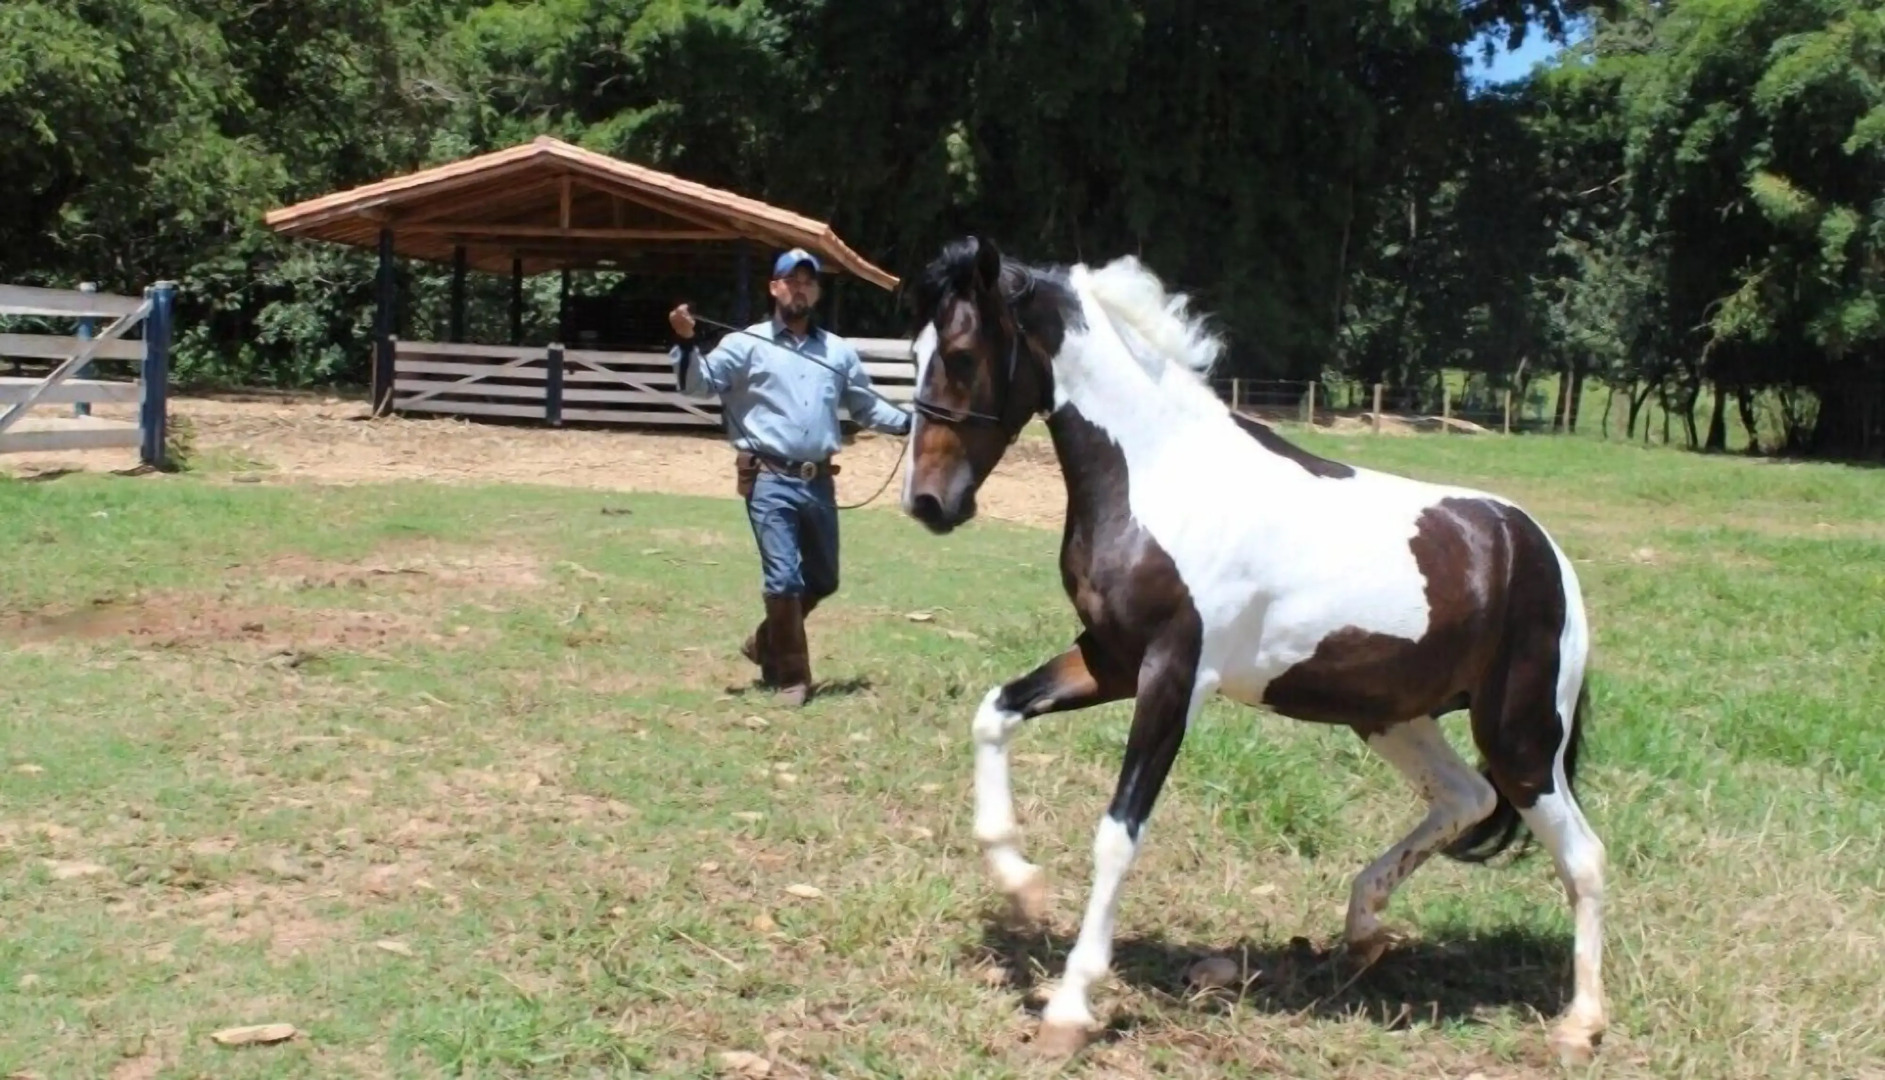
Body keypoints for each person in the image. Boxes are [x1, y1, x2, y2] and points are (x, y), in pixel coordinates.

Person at [668, 248, 913, 706]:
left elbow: (864, 404)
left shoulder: (837, 351)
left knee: (823, 580)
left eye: (809, 281)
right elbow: (695, 384)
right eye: (791, 279)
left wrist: (909, 424)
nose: (800, 287)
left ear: (816, 291)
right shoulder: (745, 344)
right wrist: (685, 342)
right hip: (768, 477)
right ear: (774, 287)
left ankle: (766, 642)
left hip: (819, 479)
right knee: (784, 580)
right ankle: (792, 678)